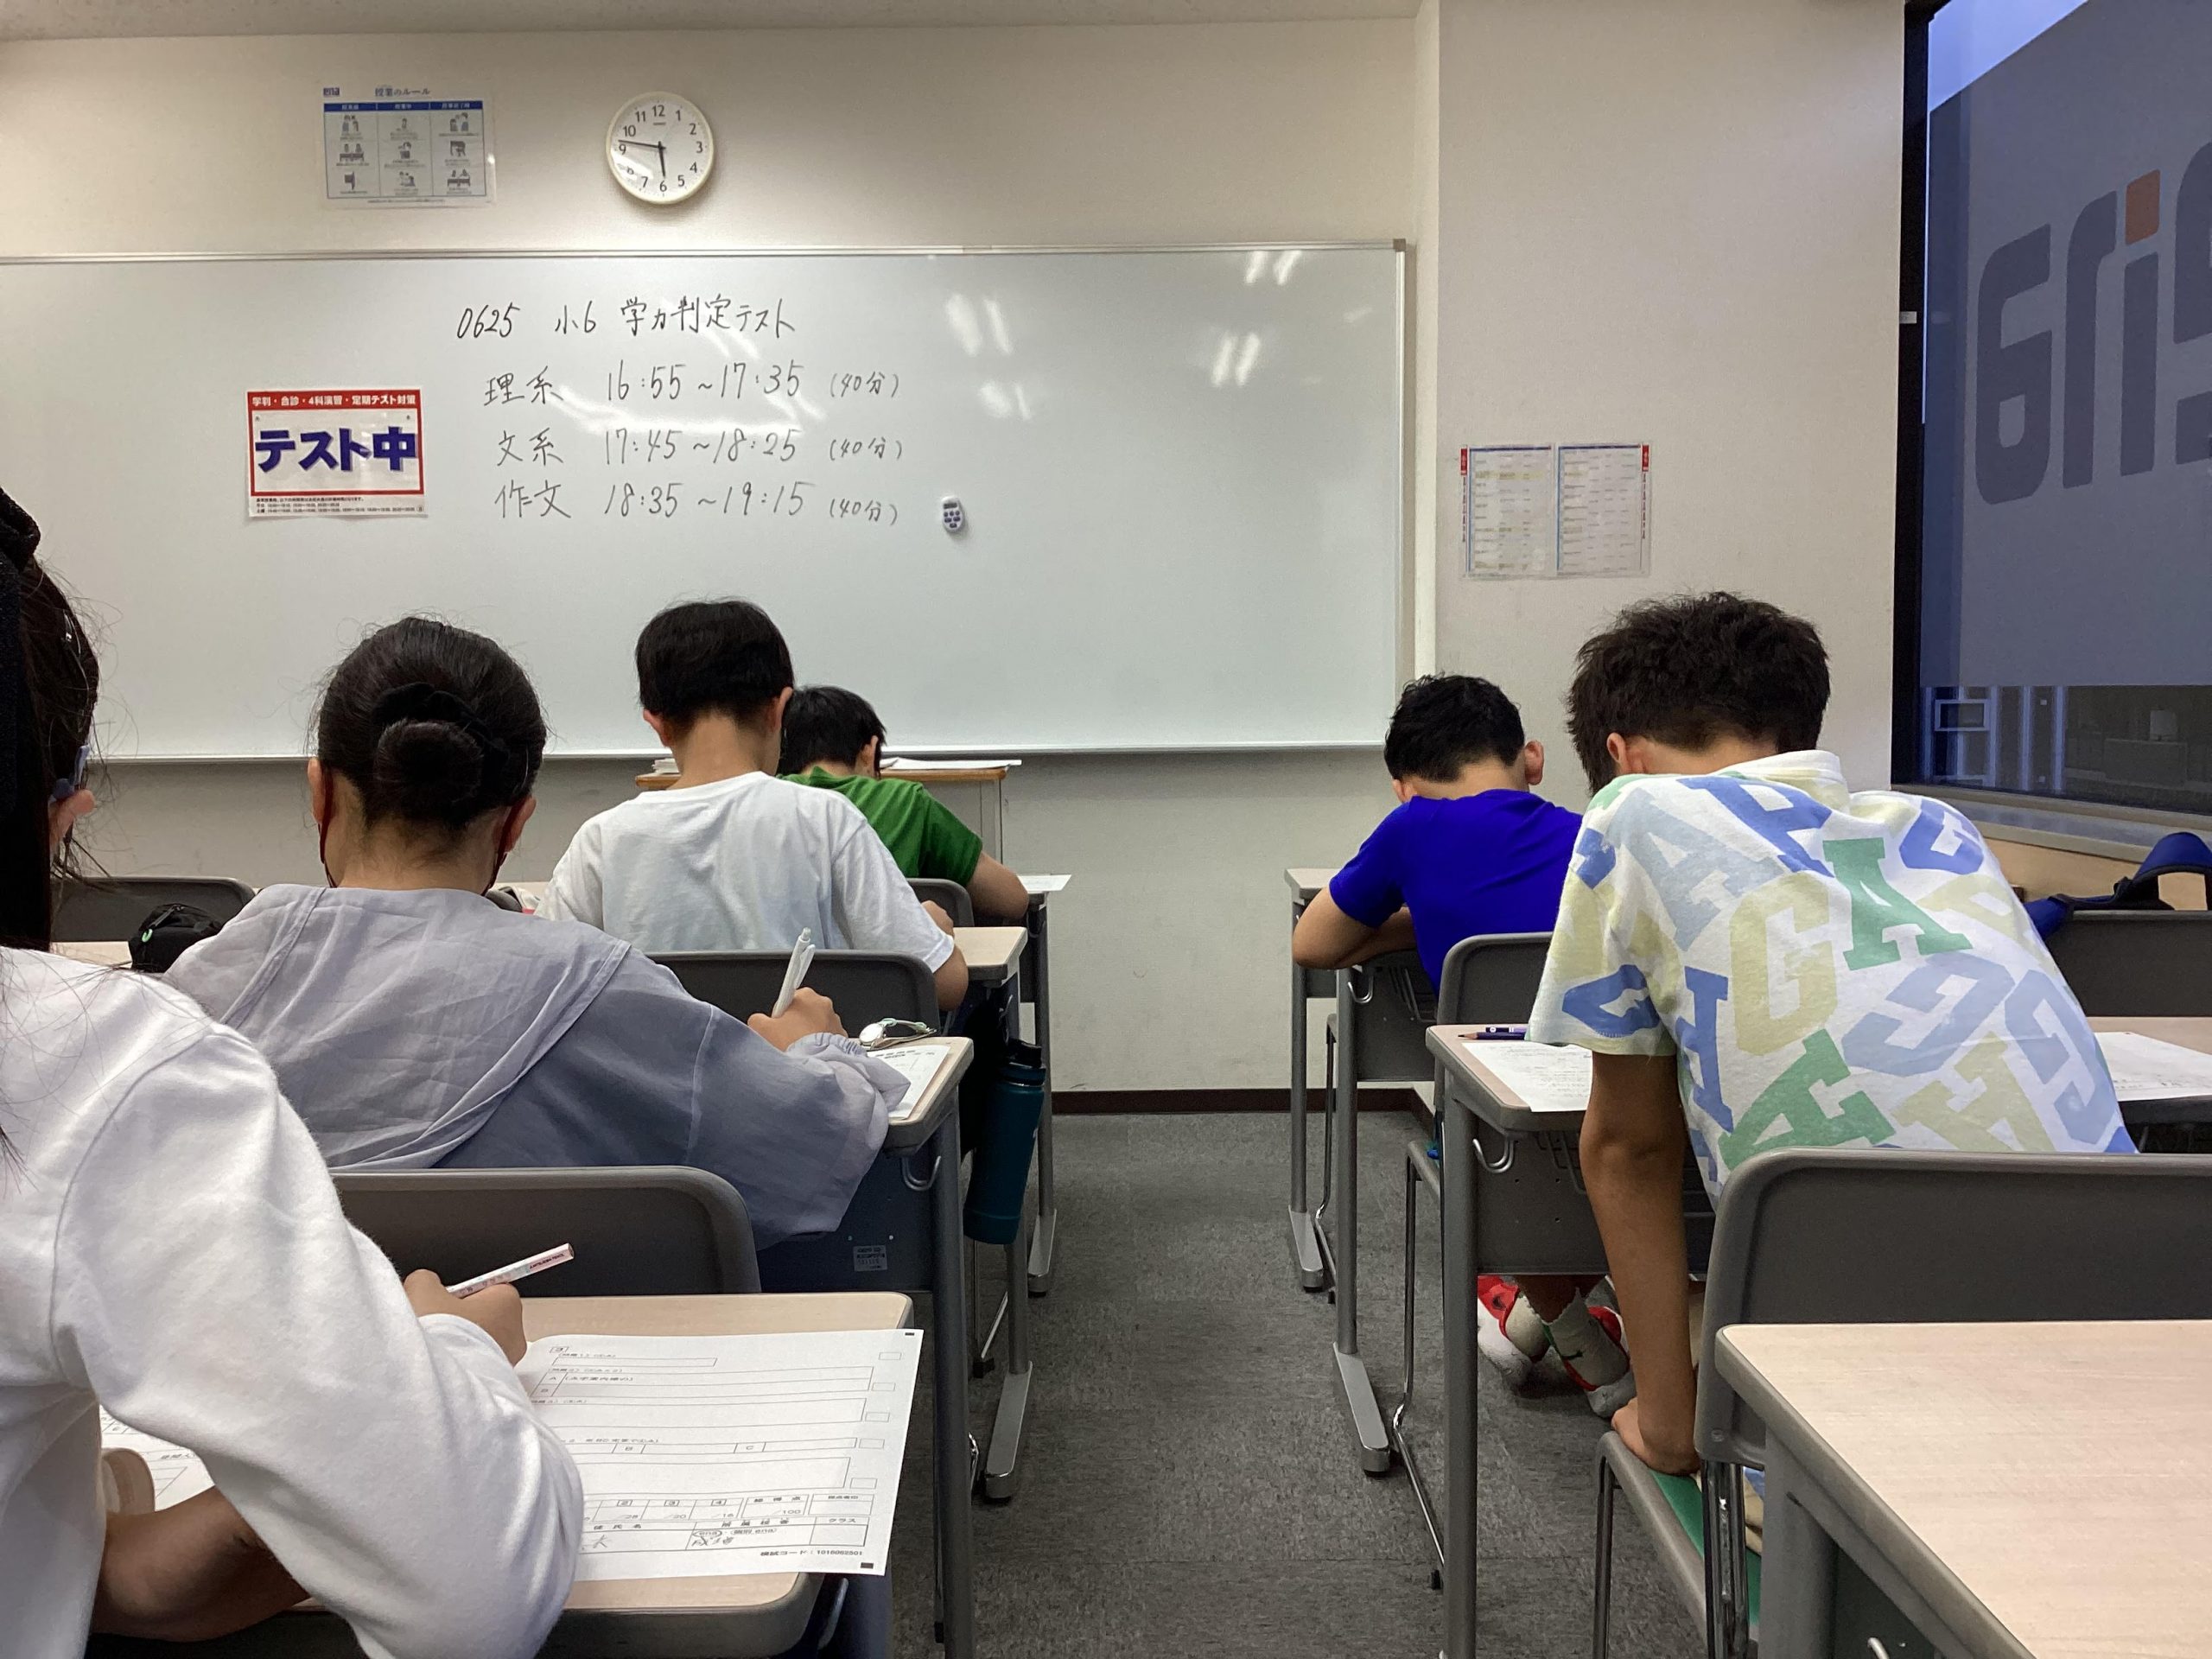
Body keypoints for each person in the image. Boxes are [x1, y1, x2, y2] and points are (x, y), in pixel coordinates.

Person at [0, 488, 581, 1656]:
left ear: (320, 792)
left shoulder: (198, 989)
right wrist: (457, 1350)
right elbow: (477, 1589)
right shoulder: (96, 1069)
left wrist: (85, 1538)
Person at [1527, 592, 2133, 1475]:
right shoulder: (1941, 827)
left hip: (1871, 1438)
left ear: (1622, 757)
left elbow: (1630, 1149)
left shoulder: (1635, 814)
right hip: (2134, 1370)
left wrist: (1667, 1425)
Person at [166, 616, 906, 1249]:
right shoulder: (598, 991)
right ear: (516, 822)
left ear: (320, 790)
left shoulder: (196, 996)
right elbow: (810, 1149)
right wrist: (819, 1051)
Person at [1290, 675, 1619, 1405]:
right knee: (1587, 1167)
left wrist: (1419, 924)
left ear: (1403, 789)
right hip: (1618, 1103)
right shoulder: (1593, 830)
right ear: (1532, 759)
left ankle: (1588, 1352)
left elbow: (1312, 945)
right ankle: (1536, 1325)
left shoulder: (1411, 830)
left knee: (1486, 1143)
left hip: (1492, 1126)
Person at [538, 601, 968, 1010]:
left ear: (658, 724)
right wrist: (928, 932)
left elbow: (542, 986)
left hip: (648, 1065)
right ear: (779, 710)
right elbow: (944, 985)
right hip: (797, 1062)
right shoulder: (825, 819)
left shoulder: (600, 840)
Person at [780, 684, 1031, 921]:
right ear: (869, 751)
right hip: (889, 954)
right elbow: (1013, 899)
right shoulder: (907, 801)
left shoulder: (764, 803)